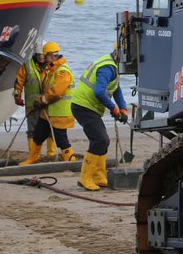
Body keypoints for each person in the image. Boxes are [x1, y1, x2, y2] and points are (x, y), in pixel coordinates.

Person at [69, 46, 128, 190]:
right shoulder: (107, 67)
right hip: (83, 106)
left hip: (90, 108)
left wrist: (123, 108)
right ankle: (85, 178)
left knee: (103, 141)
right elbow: (99, 92)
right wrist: (113, 108)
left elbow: (116, 89)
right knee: (100, 140)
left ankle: (99, 177)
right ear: (117, 53)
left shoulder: (114, 66)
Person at [23, 41, 77, 164]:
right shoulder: (52, 70)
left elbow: (56, 93)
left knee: (61, 140)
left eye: (46, 56)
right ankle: (33, 158)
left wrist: (41, 100)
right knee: (38, 135)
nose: (44, 59)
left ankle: (71, 161)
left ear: (52, 55)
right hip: (47, 113)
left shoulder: (62, 71)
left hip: (59, 114)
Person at [13, 44, 46, 158]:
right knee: (32, 130)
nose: (41, 58)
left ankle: (51, 153)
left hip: (48, 103)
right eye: (39, 55)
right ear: (35, 55)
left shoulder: (51, 65)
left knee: (51, 130)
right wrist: (17, 96)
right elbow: (19, 82)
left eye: (43, 55)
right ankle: (33, 155)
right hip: (32, 105)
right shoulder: (27, 66)